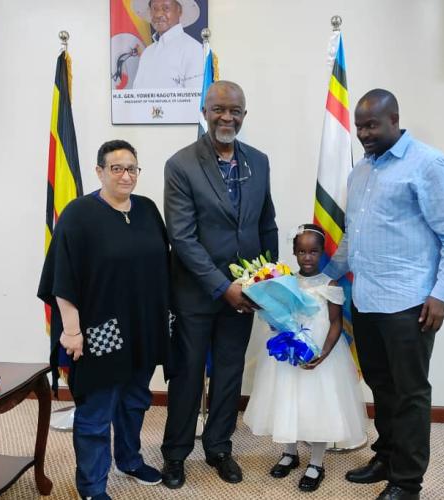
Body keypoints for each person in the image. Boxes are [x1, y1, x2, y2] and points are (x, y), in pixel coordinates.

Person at [325, 89, 444, 500]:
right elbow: (352, 239)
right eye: (359, 126)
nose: (363, 133)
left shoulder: (428, 165)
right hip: (367, 300)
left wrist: (441, 294)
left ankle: (408, 483)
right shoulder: (360, 173)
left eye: (372, 124)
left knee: (409, 393)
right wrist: (322, 275)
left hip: (411, 305)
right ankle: (386, 457)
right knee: (381, 385)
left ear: (395, 120)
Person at [160, 80, 278, 488]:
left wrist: (266, 282)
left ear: (245, 115)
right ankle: (175, 454)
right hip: (195, 293)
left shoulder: (259, 161)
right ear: (205, 111)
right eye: (219, 109)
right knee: (188, 374)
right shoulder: (180, 165)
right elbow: (183, 238)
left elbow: (267, 223)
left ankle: (219, 448)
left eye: (236, 111)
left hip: (243, 294)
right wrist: (221, 286)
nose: (227, 117)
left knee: (229, 373)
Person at [38, 140, 171, 500]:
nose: (126, 175)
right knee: (97, 412)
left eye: (132, 168)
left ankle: (129, 459)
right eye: (116, 168)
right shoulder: (79, 215)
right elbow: (62, 278)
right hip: (100, 331)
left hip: (143, 328)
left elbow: (163, 266)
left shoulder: (147, 209)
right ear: (99, 171)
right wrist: (71, 331)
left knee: (134, 401)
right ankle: (92, 487)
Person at [243, 224, 367, 492]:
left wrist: (323, 354)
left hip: (320, 355)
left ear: (322, 253)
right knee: (287, 399)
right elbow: (278, 315)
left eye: (313, 251)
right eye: (301, 251)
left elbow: (335, 323)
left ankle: (316, 462)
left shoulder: (330, 284)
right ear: (294, 252)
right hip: (288, 355)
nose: (307, 257)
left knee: (318, 405)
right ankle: (290, 453)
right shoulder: (285, 281)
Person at [131, 0, 203, 89]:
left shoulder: (194, 50)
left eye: (166, 8)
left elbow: (196, 99)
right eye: (154, 9)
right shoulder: (147, 52)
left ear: (179, 11)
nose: (158, 14)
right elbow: (136, 94)